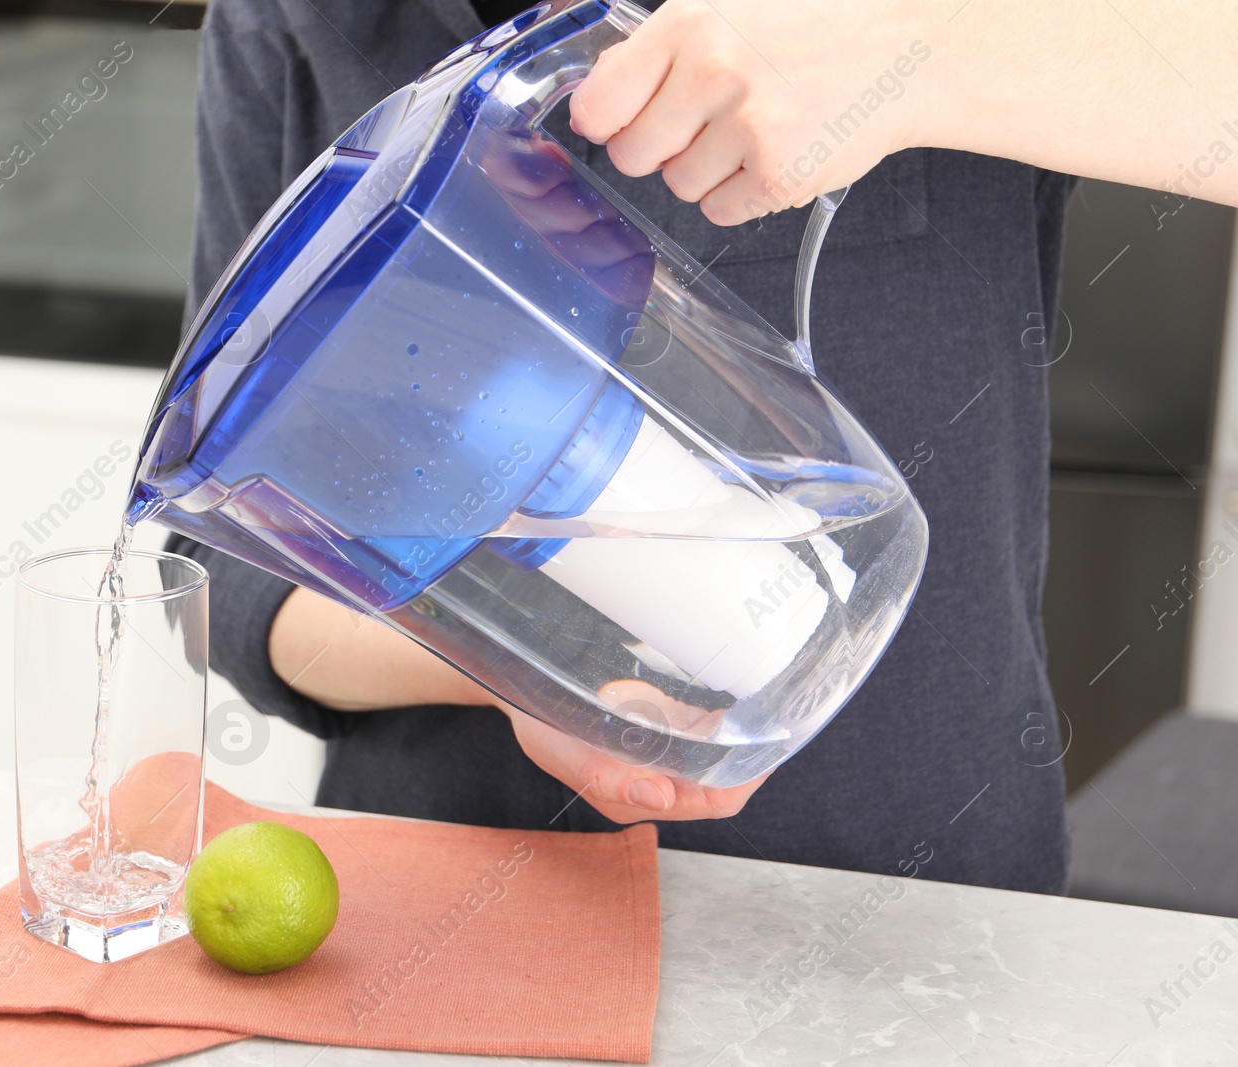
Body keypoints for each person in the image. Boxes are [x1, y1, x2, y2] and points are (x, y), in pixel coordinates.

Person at [168, 0, 1238, 893]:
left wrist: (916, 54)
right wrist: (524, 676)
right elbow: (232, 559)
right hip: (452, 910)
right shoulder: (298, 16)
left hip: (915, 906)